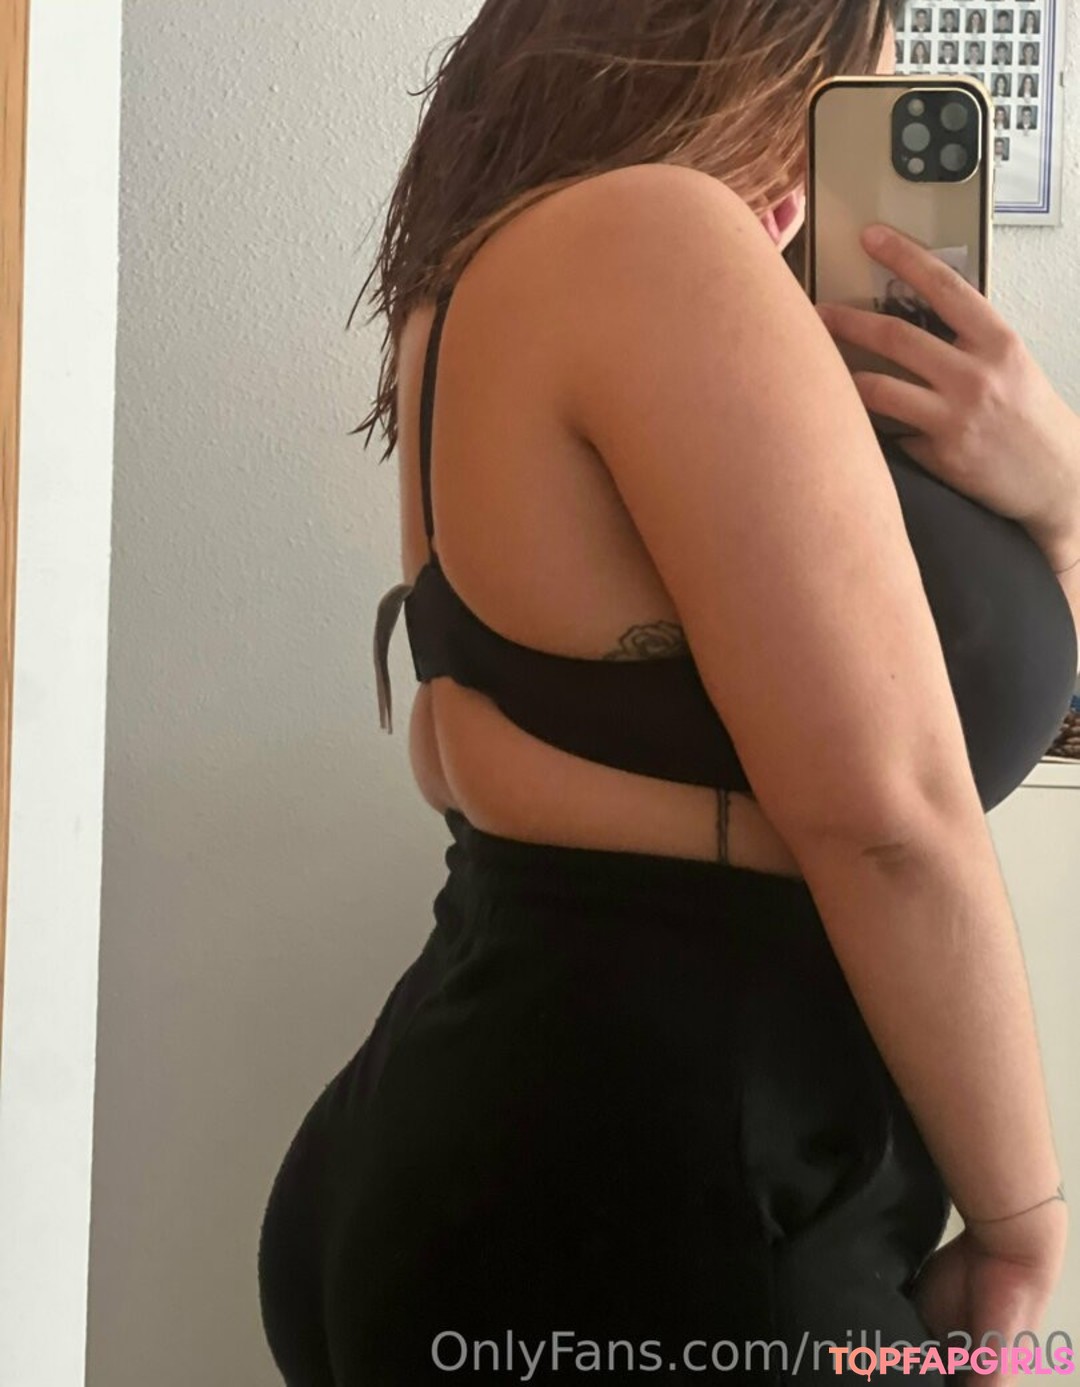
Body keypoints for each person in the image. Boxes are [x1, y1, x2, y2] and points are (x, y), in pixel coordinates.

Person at [258, 3, 1077, 1382]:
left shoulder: (473, 289)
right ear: (734, 49)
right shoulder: (651, 236)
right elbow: (888, 816)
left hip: (510, 1144)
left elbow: (972, 714)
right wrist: (1023, 1220)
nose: (817, 176)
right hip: (660, 1194)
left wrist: (1054, 494)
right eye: (834, 92)